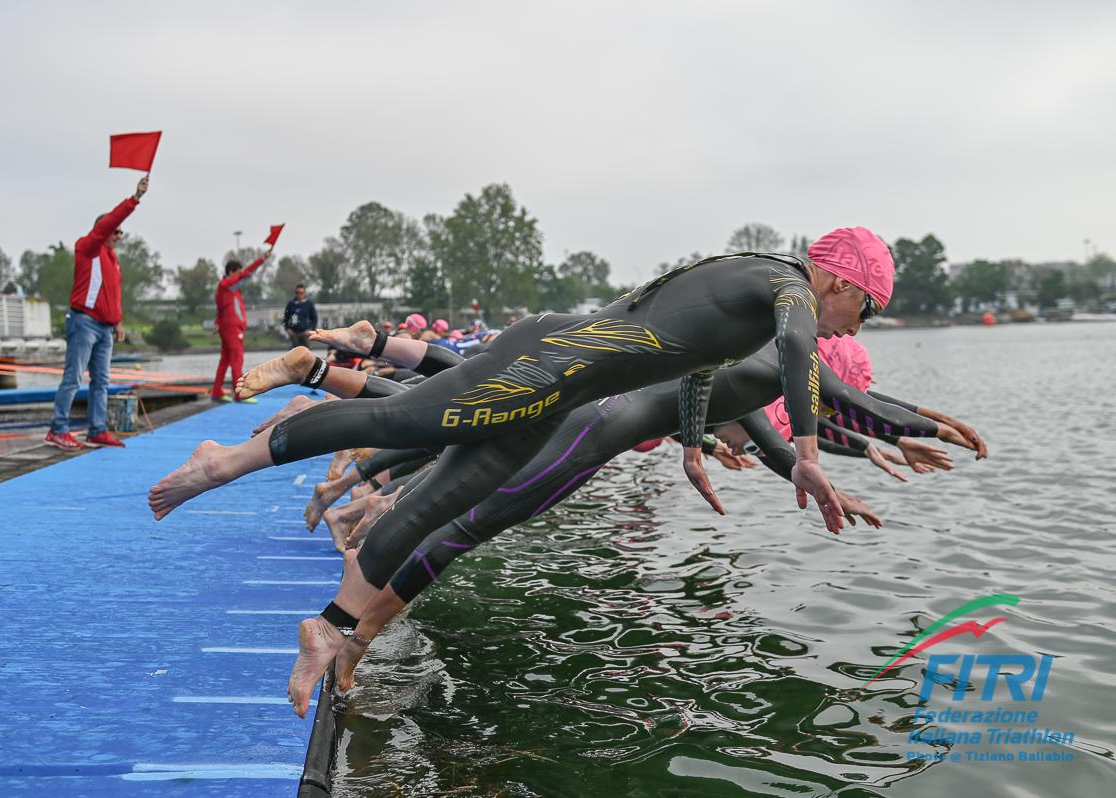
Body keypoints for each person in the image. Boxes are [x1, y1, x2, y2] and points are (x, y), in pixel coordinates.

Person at [150, 229, 895, 714]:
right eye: (867, 310)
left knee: (446, 499)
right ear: (842, 284)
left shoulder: (758, 300)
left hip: (563, 389)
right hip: (546, 361)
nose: (857, 327)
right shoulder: (790, 287)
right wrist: (805, 456)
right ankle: (225, 461)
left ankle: (330, 627)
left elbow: (697, 372)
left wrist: (698, 449)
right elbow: (802, 354)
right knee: (402, 422)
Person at [44, 176, 149, 451]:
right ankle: (58, 429)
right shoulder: (88, 248)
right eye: (115, 232)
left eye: (121, 233)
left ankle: (97, 430)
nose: (119, 236)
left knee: (102, 380)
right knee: (74, 376)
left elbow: (111, 294)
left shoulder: (113, 260)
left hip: (105, 328)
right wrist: (134, 199)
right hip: (84, 322)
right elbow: (107, 225)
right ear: (103, 231)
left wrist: (118, 321)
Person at [211, 247, 271, 402]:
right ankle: (239, 393)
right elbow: (247, 274)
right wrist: (262, 259)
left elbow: (220, 308)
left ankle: (217, 391)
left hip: (228, 327)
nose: (240, 277)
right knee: (237, 359)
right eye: (238, 273)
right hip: (231, 329)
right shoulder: (226, 285)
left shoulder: (230, 289)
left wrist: (217, 323)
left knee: (225, 360)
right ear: (231, 272)